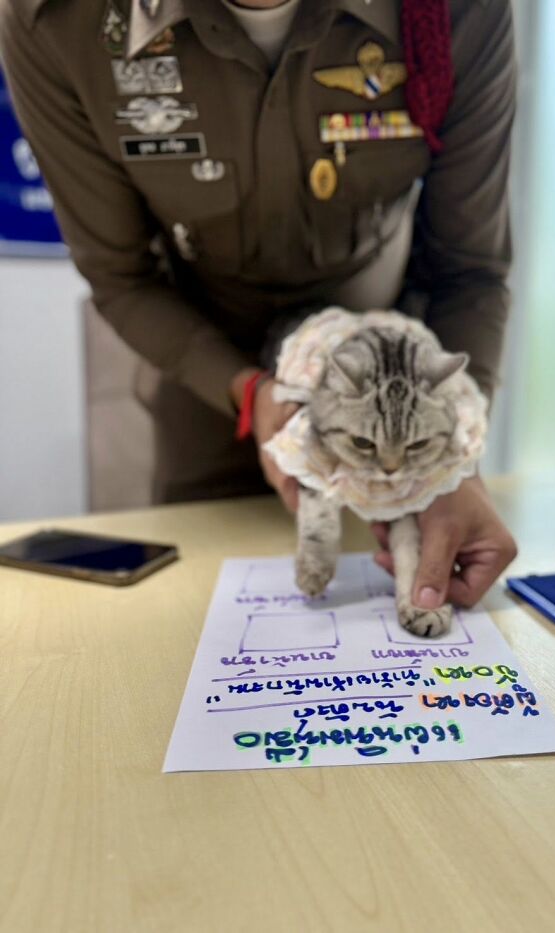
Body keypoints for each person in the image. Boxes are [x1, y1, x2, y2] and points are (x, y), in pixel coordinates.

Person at [0, 0, 518, 613]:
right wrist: (247, 393)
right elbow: (122, 277)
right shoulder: (61, 21)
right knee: (196, 626)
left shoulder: (454, 11)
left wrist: (455, 454)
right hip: (207, 376)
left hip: (391, 386)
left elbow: (468, 269)